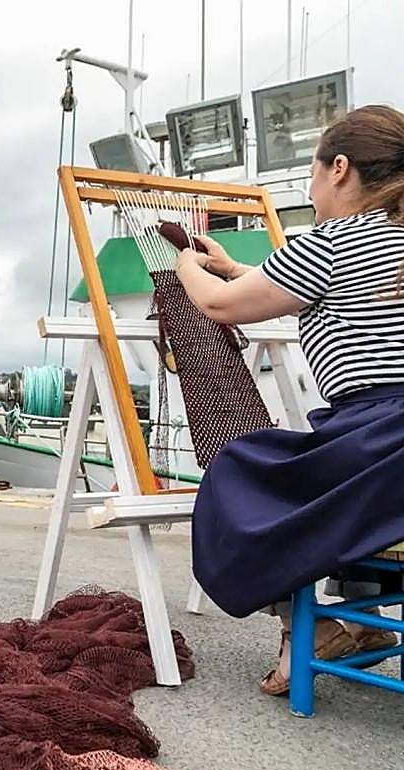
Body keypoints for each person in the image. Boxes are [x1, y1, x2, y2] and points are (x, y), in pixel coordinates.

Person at [173, 105, 404, 696]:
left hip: (382, 436)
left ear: (340, 170)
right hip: (385, 447)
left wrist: (187, 269)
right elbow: (300, 284)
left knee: (241, 474)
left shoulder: (333, 240)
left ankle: (316, 624)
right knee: (334, 480)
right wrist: (234, 267)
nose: (310, 186)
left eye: (312, 171)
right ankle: (363, 618)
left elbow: (221, 307)